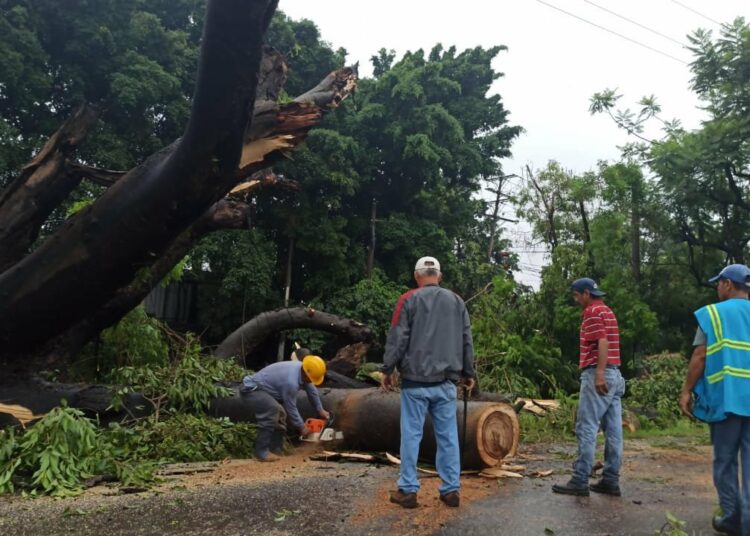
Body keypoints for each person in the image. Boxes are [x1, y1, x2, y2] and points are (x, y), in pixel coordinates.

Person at [380, 256, 476, 509]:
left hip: (415, 381)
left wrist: (387, 368)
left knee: (411, 435)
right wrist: (469, 373)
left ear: (417, 276)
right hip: (446, 382)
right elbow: (467, 339)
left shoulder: (408, 299)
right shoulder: (457, 302)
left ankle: (408, 490)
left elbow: (398, 336)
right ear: (439, 276)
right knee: (448, 437)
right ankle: (451, 489)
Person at [679, 264, 750, 536]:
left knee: (725, 460)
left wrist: (687, 390)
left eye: (718, 283)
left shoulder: (714, 314)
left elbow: (700, 356)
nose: (717, 288)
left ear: (729, 284)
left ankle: (733, 517)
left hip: (727, 399)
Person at [552, 277, 625, 497]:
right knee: (613, 430)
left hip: (598, 372)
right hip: (615, 373)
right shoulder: (607, 311)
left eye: (576, 295)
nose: (576, 300)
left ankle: (580, 478)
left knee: (587, 426)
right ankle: (610, 480)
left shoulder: (592, 312)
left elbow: (602, 341)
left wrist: (599, 374)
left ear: (585, 293)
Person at [240, 349, 329, 462]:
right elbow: (291, 406)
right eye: (310, 378)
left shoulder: (303, 368)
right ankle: (261, 452)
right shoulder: (290, 382)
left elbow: (312, 391)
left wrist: (320, 410)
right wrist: (302, 427)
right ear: (306, 373)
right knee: (272, 409)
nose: (310, 381)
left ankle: (276, 450)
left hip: (266, 390)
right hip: (252, 389)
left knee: (280, 413)